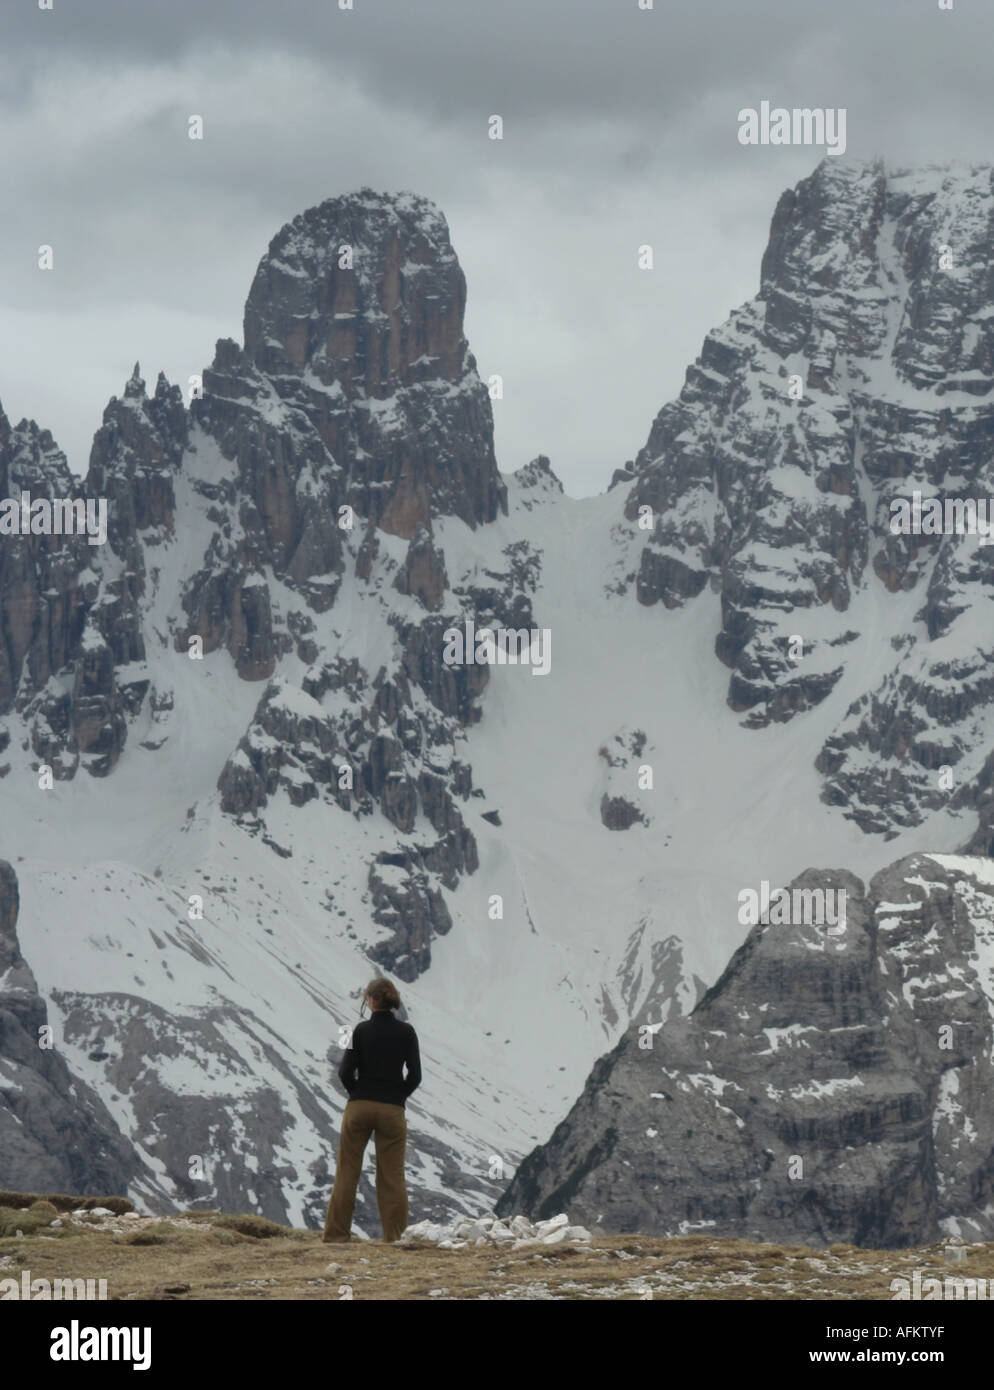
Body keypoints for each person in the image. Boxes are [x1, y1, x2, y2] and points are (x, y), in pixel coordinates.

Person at [323, 976, 421, 1243]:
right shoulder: (407, 1032)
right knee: (392, 1176)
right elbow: (415, 1076)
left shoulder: (361, 1031)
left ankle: (336, 1236)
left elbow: (345, 1071)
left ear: (372, 1000)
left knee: (347, 1171)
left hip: (359, 1106)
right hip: (392, 1110)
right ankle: (395, 1237)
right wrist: (398, 1096)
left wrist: (357, 1092)